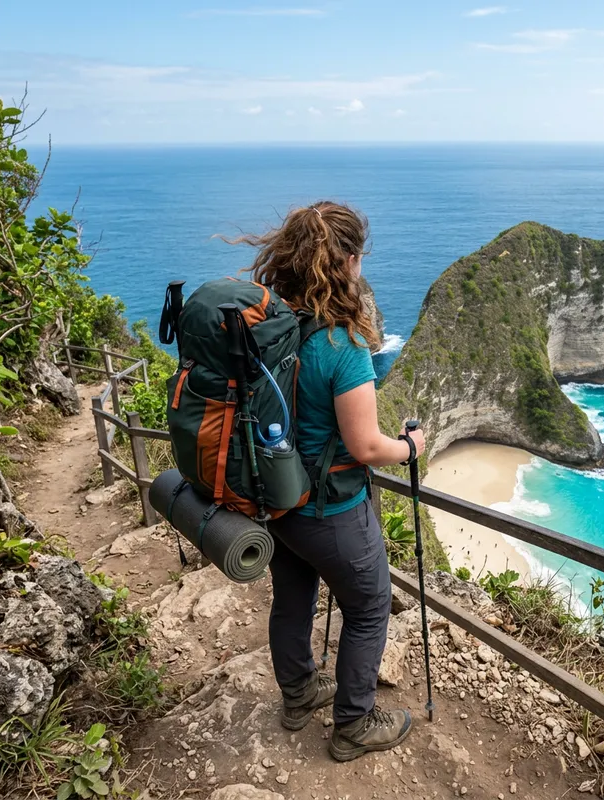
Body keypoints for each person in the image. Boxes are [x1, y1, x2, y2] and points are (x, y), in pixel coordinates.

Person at [231, 201, 426, 762]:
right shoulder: (342, 347)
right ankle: (353, 725)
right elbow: (366, 446)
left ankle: (298, 696)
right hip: (331, 510)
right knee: (369, 607)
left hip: (277, 499)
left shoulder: (268, 329)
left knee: (292, 597)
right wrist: (409, 446)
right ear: (348, 262)